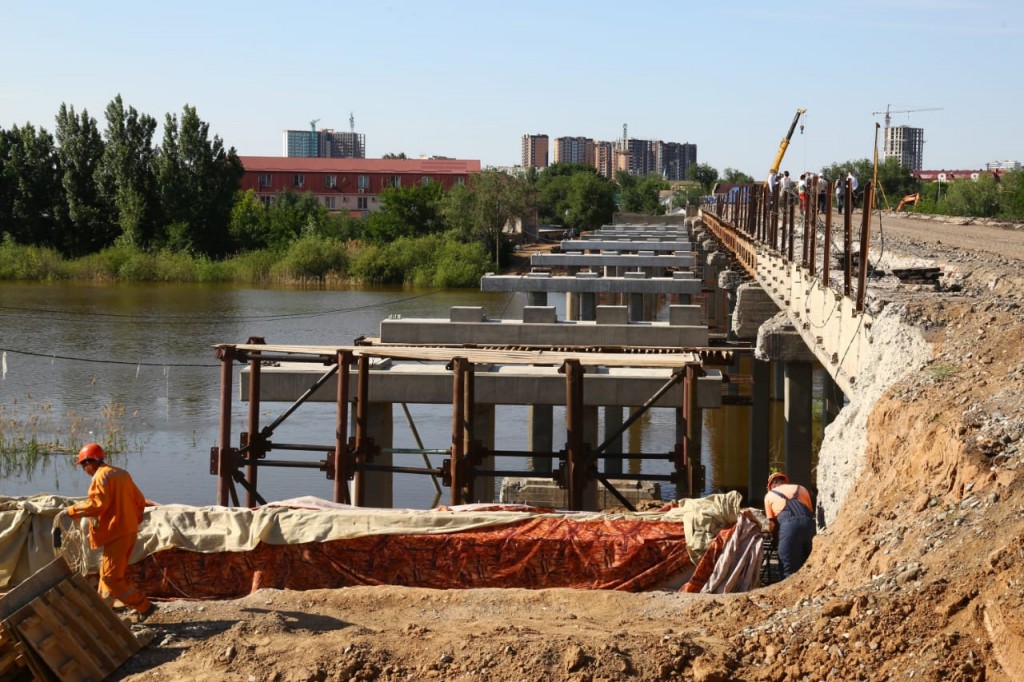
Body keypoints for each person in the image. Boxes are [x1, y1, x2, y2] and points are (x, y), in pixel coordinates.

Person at [66, 443, 157, 621]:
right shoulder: (121, 473)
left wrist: (72, 511)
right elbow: (139, 501)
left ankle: (144, 606)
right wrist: (132, 521)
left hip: (116, 532)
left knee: (110, 577)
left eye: (83, 466)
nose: (85, 470)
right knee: (107, 572)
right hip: (127, 530)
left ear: (89, 463)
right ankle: (104, 608)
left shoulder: (100, 477)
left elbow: (96, 505)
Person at [763, 472, 816, 579]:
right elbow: (810, 512)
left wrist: (775, 537)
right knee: (811, 564)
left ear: (772, 485)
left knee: (788, 568)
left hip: (789, 528)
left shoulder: (770, 495)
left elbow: (772, 524)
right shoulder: (802, 489)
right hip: (809, 526)